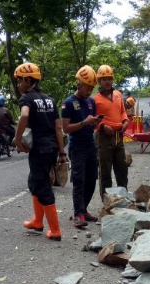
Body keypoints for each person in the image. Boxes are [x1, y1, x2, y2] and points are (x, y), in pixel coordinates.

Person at [13, 62, 66, 241]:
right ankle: (37, 221)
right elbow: (58, 128)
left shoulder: (26, 99)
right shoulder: (49, 100)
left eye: (20, 81)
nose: (18, 85)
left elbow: (24, 115)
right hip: (51, 148)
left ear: (28, 81)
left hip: (40, 149)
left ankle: (55, 231)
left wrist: (17, 140)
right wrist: (62, 153)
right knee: (34, 181)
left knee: (42, 186)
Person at [61, 65, 101, 228]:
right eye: (87, 87)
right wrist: (84, 123)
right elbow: (65, 128)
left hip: (90, 144)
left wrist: (95, 122)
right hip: (77, 146)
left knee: (92, 179)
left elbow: (91, 124)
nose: (90, 91)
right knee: (79, 180)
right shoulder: (68, 103)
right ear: (79, 84)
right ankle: (78, 214)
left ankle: (84, 209)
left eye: (92, 88)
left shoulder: (91, 102)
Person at [93, 65, 130, 198]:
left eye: (109, 78)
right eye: (104, 79)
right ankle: (106, 200)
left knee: (122, 168)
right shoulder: (95, 99)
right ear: (99, 81)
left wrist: (125, 122)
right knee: (105, 171)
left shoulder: (118, 95)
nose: (107, 82)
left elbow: (123, 112)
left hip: (118, 136)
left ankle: (124, 198)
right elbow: (93, 119)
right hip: (103, 137)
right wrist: (102, 126)